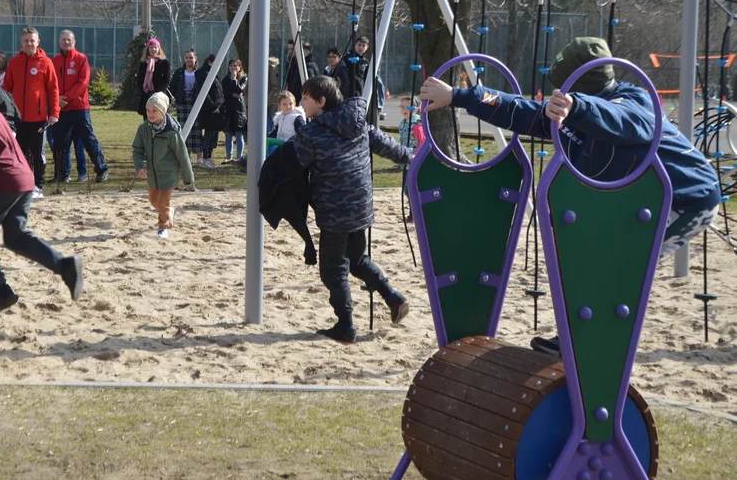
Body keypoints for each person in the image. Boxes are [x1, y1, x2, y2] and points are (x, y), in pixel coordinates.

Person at [419, 36, 722, 259]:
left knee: (625, 261)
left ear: (580, 87)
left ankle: (591, 343)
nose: (557, 92)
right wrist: (458, 96)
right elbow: (522, 110)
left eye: (565, 86)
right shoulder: (568, 114)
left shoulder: (634, 104)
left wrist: (577, 106)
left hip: (687, 198)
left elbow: (623, 120)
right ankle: (576, 338)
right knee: (598, 256)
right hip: (642, 198)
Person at [0, 65, 84, 313]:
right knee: (15, 237)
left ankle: (1, 291)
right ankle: (65, 266)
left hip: (5, 183)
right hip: (24, 180)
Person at [294, 75, 412, 343]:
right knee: (356, 260)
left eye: (305, 98)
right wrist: (412, 157)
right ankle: (393, 296)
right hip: (361, 207)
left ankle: (345, 325)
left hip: (335, 211)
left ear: (321, 102)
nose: (301, 102)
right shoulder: (358, 122)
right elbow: (387, 145)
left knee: (332, 269)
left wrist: (297, 133)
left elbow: (297, 163)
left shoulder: (311, 133)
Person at [3, 27, 59, 198]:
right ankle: (22, 184)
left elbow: (53, 89)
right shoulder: (14, 62)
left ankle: (38, 186)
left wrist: (54, 112)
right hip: (18, 118)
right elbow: (6, 89)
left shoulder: (45, 62)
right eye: (26, 40)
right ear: (21, 41)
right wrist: (5, 112)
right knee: (19, 152)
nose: (29, 43)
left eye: (32, 40)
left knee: (37, 153)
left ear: (38, 42)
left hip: (39, 117)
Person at [133, 92, 194, 239]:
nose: (150, 114)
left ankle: (163, 227)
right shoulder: (144, 129)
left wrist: (188, 177)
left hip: (168, 174)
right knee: (154, 201)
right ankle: (170, 211)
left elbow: (182, 155)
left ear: (163, 111)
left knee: (162, 202)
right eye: (148, 110)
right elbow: (137, 150)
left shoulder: (172, 133)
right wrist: (140, 166)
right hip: (152, 173)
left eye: (154, 110)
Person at [51, 29, 109, 184]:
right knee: (59, 143)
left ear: (74, 41)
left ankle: (101, 169)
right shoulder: (54, 61)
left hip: (79, 108)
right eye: (63, 39)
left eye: (69, 39)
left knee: (89, 140)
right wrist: (57, 100)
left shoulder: (81, 59)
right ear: (59, 42)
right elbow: (50, 83)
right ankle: (61, 174)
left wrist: (66, 97)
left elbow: (83, 83)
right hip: (61, 109)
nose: (66, 42)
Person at [168, 49, 202, 161]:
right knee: (183, 128)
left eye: (191, 57)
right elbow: (172, 86)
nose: (188, 60)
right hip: (182, 104)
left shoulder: (199, 73)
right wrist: (177, 96)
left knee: (196, 129)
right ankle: (187, 157)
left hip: (195, 103)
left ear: (195, 59)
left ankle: (199, 157)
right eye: (187, 57)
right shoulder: (179, 72)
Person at [194, 54, 225, 168]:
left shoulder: (214, 75)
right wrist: (213, 107)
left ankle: (209, 158)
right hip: (209, 112)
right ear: (210, 62)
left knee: (213, 137)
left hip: (217, 112)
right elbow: (204, 93)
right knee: (208, 136)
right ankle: (203, 159)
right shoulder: (203, 74)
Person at [136, 38, 171, 119]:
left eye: (155, 47)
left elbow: (167, 80)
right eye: (151, 47)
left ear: (159, 49)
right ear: (148, 49)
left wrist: (156, 93)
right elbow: (140, 79)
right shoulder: (144, 63)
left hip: (159, 96)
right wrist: (144, 91)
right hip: (146, 95)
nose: (153, 49)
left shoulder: (164, 63)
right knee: (147, 121)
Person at [222, 58, 247, 162]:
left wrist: (234, 79)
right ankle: (228, 156)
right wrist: (233, 94)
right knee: (228, 133)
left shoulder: (244, 78)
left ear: (239, 67)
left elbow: (240, 90)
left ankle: (239, 157)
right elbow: (224, 92)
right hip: (228, 108)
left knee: (238, 132)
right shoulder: (225, 79)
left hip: (239, 109)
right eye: (231, 65)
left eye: (235, 65)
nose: (233, 67)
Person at [284, 39, 319, 104]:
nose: (290, 51)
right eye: (289, 49)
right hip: (293, 101)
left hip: (302, 103)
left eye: (292, 49)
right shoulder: (292, 64)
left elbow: (310, 86)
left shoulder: (308, 66)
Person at [342, 36, 370, 100]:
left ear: (367, 47)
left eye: (363, 46)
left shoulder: (365, 61)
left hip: (360, 91)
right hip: (349, 92)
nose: (361, 47)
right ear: (355, 45)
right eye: (359, 45)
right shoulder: (347, 57)